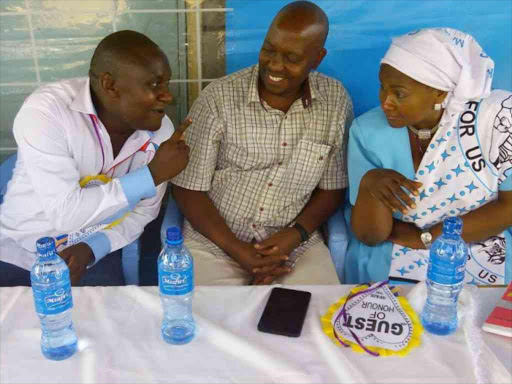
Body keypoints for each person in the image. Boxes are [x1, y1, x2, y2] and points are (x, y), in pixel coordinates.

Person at [171, 1, 353, 286]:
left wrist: (296, 235)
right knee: (212, 323)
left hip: (294, 245)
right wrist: (238, 250)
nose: (275, 65)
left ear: (317, 59)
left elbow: (332, 188)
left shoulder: (335, 101)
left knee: (315, 320)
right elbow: (187, 189)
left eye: (292, 58)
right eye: (269, 50)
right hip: (216, 241)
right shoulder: (218, 98)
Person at [0, 30, 190, 286]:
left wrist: (92, 248)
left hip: (91, 254)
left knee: (104, 323)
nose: (168, 96)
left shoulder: (161, 131)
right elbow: (65, 215)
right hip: (19, 249)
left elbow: (144, 213)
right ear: (110, 85)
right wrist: (152, 175)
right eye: (154, 85)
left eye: (166, 84)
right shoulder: (47, 112)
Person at [345, 28, 512, 285]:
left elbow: (509, 207)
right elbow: (370, 236)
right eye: (382, 88)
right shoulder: (367, 132)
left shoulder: (494, 121)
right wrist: (370, 185)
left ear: (440, 93)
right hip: (395, 249)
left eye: (399, 93)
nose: (385, 102)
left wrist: (428, 237)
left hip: (481, 242)